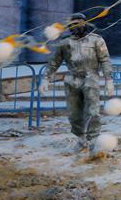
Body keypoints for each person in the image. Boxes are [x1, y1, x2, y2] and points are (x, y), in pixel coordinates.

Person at [40, 13, 114, 155]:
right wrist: (46, 78)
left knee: (93, 111)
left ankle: (93, 142)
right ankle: (81, 139)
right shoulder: (65, 42)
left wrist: (108, 79)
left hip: (91, 78)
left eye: (79, 22)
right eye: (73, 23)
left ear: (85, 23)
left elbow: (105, 60)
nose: (76, 26)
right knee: (74, 113)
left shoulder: (96, 40)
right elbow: (54, 61)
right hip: (72, 79)